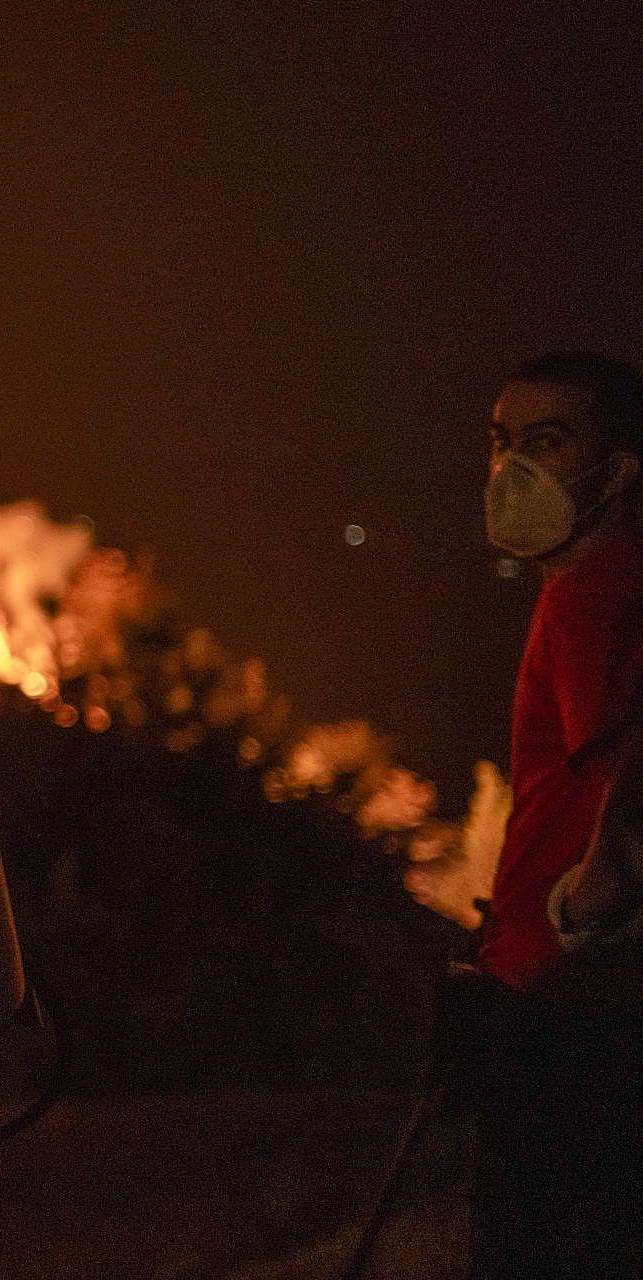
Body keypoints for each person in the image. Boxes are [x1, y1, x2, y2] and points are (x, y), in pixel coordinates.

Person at [412, 350, 643, 1277]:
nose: (516, 470)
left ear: (621, 466)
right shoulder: (595, 584)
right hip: (568, 990)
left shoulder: (596, 588)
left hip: (571, 1001)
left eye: (550, 441)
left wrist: (593, 892)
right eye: (503, 442)